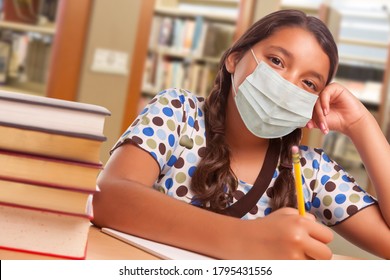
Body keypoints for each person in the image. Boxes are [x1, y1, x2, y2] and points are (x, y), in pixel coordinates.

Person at [92, 9, 390, 259]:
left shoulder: (310, 172)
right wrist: (244, 240)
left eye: (309, 84)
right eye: (276, 61)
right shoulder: (178, 113)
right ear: (233, 59)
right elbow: (109, 196)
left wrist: (362, 125)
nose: (287, 86)